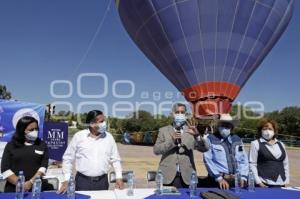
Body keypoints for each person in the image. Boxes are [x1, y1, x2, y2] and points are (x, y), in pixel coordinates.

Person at [58, 110, 124, 193]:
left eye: (104, 121)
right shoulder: (79, 137)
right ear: (92, 124)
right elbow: (68, 158)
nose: (104, 124)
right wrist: (67, 179)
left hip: (102, 182)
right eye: (101, 121)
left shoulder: (109, 138)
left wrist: (119, 177)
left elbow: (115, 159)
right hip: (82, 182)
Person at [153, 103, 209, 188]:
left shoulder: (191, 130)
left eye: (182, 112)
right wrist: (172, 141)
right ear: (173, 114)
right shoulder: (163, 130)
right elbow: (156, 150)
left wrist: (197, 135)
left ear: (186, 114)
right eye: (177, 112)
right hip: (167, 175)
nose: (180, 114)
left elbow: (205, 149)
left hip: (187, 176)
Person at [1, 116, 53, 192]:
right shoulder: (11, 145)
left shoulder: (42, 144)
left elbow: (43, 167)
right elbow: (5, 169)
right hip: (14, 189)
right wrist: (21, 185)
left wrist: (30, 183)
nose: (35, 132)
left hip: (36, 189)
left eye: (36, 129)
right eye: (31, 130)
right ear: (22, 130)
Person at [203, 114, 248, 190]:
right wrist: (219, 178)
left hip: (236, 181)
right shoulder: (210, 139)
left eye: (228, 125)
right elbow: (207, 160)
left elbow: (243, 160)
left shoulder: (237, 139)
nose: (225, 127)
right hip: (217, 182)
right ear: (218, 125)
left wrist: (243, 176)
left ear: (232, 127)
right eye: (223, 124)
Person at [249, 118, 289, 187]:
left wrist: (286, 180)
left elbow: (285, 163)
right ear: (260, 131)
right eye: (264, 129)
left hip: (281, 183)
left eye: (270, 129)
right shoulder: (255, 144)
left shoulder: (281, 144)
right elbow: (252, 164)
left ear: (274, 131)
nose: (267, 131)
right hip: (264, 184)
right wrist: (259, 182)